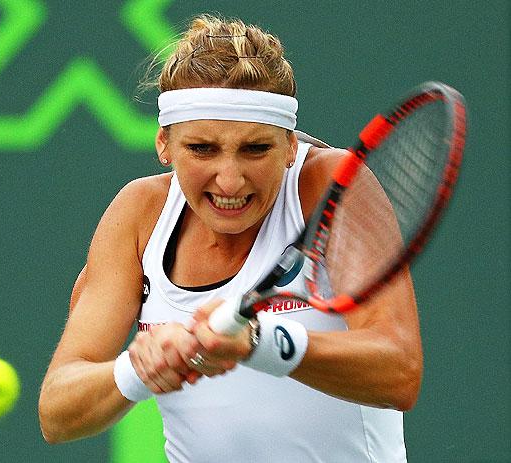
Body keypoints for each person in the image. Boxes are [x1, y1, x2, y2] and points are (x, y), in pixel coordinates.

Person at [38, 14, 423, 463]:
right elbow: (58, 413)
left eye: (256, 149)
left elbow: (399, 371)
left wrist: (260, 344)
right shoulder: (139, 214)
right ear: (164, 144)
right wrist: (139, 368)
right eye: (202, 149)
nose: (230, 181)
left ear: (289, 146)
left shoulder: (330, 188)